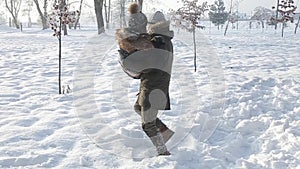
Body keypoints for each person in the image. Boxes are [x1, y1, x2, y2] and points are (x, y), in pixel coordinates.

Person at [116, 6, 174, 156]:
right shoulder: (163, 39)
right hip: (150, 83)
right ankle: (165, 132)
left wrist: (127, 52)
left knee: (147, 124)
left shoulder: (159, 41)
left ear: (154, 25)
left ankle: (163, 153)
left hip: (154, 88)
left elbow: (143, 60)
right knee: (138, 108)